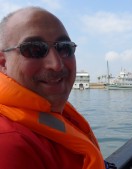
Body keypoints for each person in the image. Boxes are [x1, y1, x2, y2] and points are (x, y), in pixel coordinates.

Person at [0, 7, 107, 169]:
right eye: (34, 49)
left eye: (64, 48)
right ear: (3, 63)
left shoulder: (49, 111)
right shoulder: (9, 144)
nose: (56, 65)